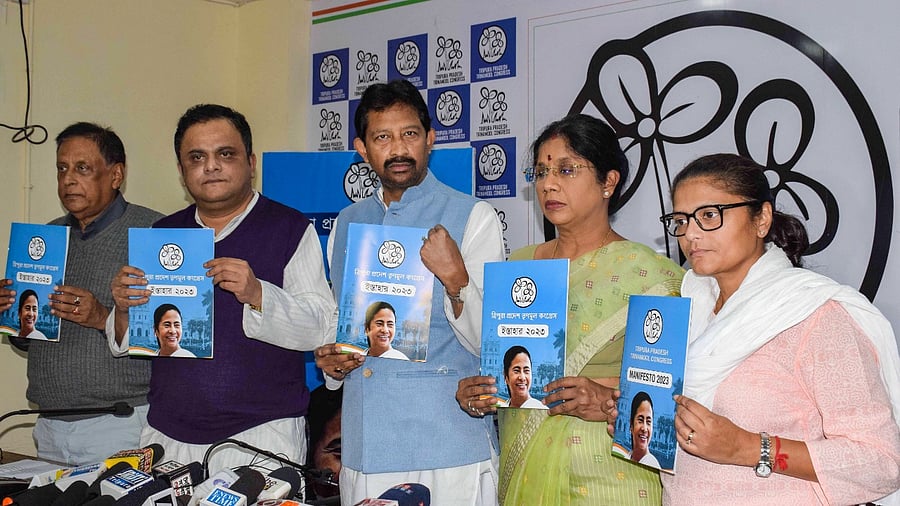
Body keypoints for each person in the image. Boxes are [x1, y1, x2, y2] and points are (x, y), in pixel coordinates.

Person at [455, 113, 684, 505]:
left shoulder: (650, 273)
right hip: (526, 467)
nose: (549, 184)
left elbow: (671, 401)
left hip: (609, 475)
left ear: (608, 182)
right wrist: (482, 395)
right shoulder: (520, 267)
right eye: (541, 172)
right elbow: (511, 376)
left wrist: (607, 395)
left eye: (566, 169)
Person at [658, 153, 900, 504]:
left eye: (709, 216)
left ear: (762, 219)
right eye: (681, 220)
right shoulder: (687, 308)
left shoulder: (816, 317)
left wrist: (747, 447)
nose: (691, 234)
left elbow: (881, 463)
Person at [108, 104, 337, 473]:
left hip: (260, 437)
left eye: (225, 154)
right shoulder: (163, 235)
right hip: (168, 434)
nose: (210, 166)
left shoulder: (289, 228)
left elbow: (322, 326)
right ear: (182, 172)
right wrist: (122, 307)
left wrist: (259, 294)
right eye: (196, 157)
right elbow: (133, 340)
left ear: (251, 161)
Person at [314, 79, 505, 505]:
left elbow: (491, 345)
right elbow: (338, 327)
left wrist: (455, 279)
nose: (398, 149)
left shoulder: (473, 216)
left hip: (450, 445)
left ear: (430, 140)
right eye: (383, 137)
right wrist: (332, 362)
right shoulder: (345, 223)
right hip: (365, 447)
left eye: (410, 135)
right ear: (362, 149)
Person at [0, 122, 161, 465]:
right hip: (49, 424)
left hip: (121, 423)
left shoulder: (154, 234)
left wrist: (101, 316)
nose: (68, 179)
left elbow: (170, 340)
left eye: (82, 168)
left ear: (116, 175)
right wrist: (15, 315)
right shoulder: (45, 238)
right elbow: (29, 340)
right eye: (62, 168)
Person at [627, 391, 659, 467]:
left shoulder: (652, 464)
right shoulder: (627, 456)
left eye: (648, 422)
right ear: (631, 425)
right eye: (640, 420)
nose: (644, 428)